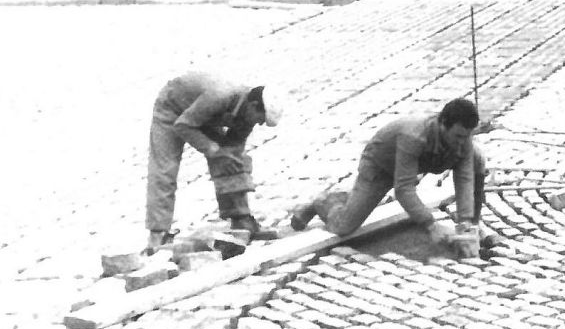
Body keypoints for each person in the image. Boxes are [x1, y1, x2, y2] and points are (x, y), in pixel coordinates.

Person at [287, 97, 495, 258]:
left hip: (416, 164)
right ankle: (322, 202)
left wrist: (465, 224)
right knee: (344, 226)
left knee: (476, 157)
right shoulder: (414, 136)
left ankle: (475, 225)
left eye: (467, 136)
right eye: (458, 136)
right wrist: (431, 224)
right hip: (380, 166)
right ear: (443, 124)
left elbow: (465, 180)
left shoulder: (463, 140)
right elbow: (403, 189)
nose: (462, 142)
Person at [147, 73, 280, 253]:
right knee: (165, 170)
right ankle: (158, 235)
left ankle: (241, 220)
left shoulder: (247, 113)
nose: (260, 124)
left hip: (203, 115)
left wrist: (228, 157)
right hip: (172, 109)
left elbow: (234, 149)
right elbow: (183, 125)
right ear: (254, 105)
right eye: (260, 118)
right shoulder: (220, 95)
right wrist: (212, 148)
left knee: (231, 158)